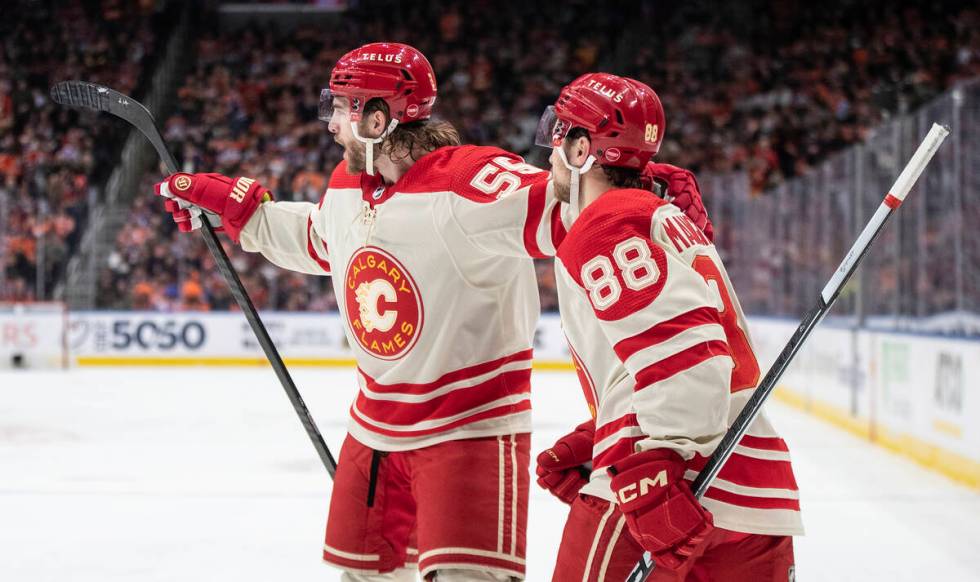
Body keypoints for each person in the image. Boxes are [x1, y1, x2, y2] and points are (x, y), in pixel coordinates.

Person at [153, 42, 712, 581]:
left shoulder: (470, 183)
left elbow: (572, 206)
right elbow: (323, 241)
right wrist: (235, 206)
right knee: (361, 577)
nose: (330, 124)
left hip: (468, 429)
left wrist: (646, 192)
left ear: (377, 119)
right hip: (372, 432)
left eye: (341, 108)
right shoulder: (350, 184)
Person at [533, 73, 803, 581]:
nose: (549, 152)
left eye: (559, 133)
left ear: (581, 148)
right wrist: (600, 429)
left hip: (666, 488)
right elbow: (691, 348)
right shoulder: (659, 217)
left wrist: (655, 460)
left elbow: (686, 358)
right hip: (751, 498)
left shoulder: (606, 223)